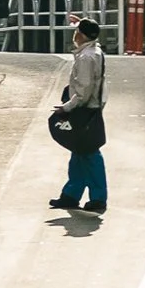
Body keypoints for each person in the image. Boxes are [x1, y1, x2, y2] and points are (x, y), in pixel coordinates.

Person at [52, 12, 108, 213]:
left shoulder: (85, 58)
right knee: (79, 153)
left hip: (84, 109)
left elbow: (83, 90)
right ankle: (71, 194)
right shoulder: (94, 52)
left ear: (82, 35)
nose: (74, 34)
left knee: (89, 154)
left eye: (77, 31)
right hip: (90, 107)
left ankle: (98, 197)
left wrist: (66, 107)